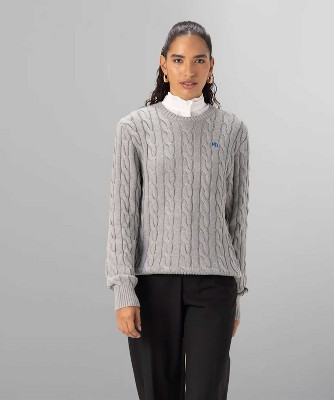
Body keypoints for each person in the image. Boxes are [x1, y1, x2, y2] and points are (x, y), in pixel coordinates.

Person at [104, 20, 250, 400]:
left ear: (211, 66)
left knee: (207, 393)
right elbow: (123, 214)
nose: (189, 70)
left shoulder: (233, 131)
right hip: (152, 285)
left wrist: (237, 293)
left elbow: (236, 217)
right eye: (179, 60)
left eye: (199, 60)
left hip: (214, 285)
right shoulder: (135, 128)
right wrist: (123, 289)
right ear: (164, 64)